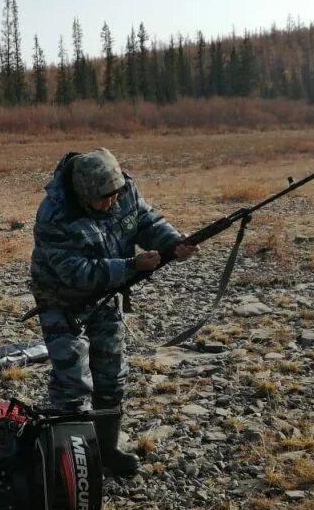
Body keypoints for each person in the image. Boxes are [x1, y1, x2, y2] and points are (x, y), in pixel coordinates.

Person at [30, 148, 198, 476]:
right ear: (83, 194)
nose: (112, 202)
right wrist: (130, 266)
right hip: (62, 302)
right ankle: (71, 467)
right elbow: (74, 272)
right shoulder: (53, 215)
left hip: (107, 296)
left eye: (115, 195)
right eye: (103, 198)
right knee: (73, 386)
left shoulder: (123, 191)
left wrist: (174, 243)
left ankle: (106, 451)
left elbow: (146, 222)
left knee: (111, 376)